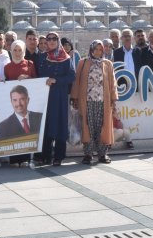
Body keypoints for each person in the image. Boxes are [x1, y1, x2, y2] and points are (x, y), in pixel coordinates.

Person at [72, 40, 118, 164]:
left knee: (102, 127)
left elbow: (112, 83)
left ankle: (102, 154)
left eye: (100, 50)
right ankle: (88, 154)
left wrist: (114, 99)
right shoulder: (83, 62)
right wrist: (75, 98)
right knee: (88, 127)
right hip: (87, 101)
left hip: (104, 101)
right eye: (95, 49)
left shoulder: (107, 64)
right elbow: (77, 81)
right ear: (91, 50)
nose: (98, 52)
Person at [36, 33, 76, 166]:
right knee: (46, 125)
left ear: (58, 41)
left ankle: (58, 156)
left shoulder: (66, 58)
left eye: (54, 39)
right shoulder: (42, 57)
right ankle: (45, 155)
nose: (51, 41)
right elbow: (37, 75)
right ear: (46, 42)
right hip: (45, 97)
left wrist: (56, 80)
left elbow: (71, 76)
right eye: (49, 39)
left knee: (59, 125)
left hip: (59, 97)